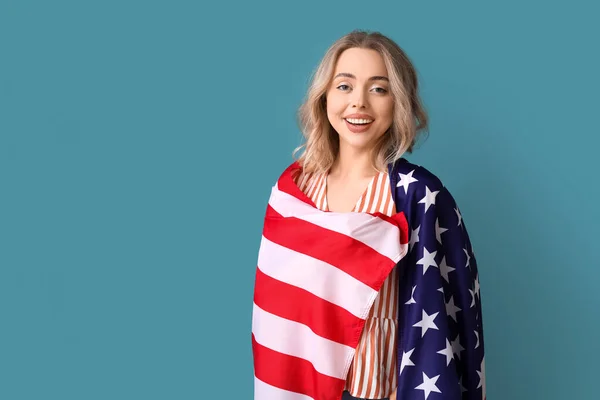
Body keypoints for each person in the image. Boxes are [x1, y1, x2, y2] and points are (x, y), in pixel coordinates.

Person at [251, 29, 485, 400]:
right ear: (324, 96)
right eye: (344, 86)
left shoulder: (418, 194)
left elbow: (448, 313)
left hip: (386, 391)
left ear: (399, 102)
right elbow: (277, 312)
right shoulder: (291, 193)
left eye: (379, 88)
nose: (358, 103)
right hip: (306, 388)